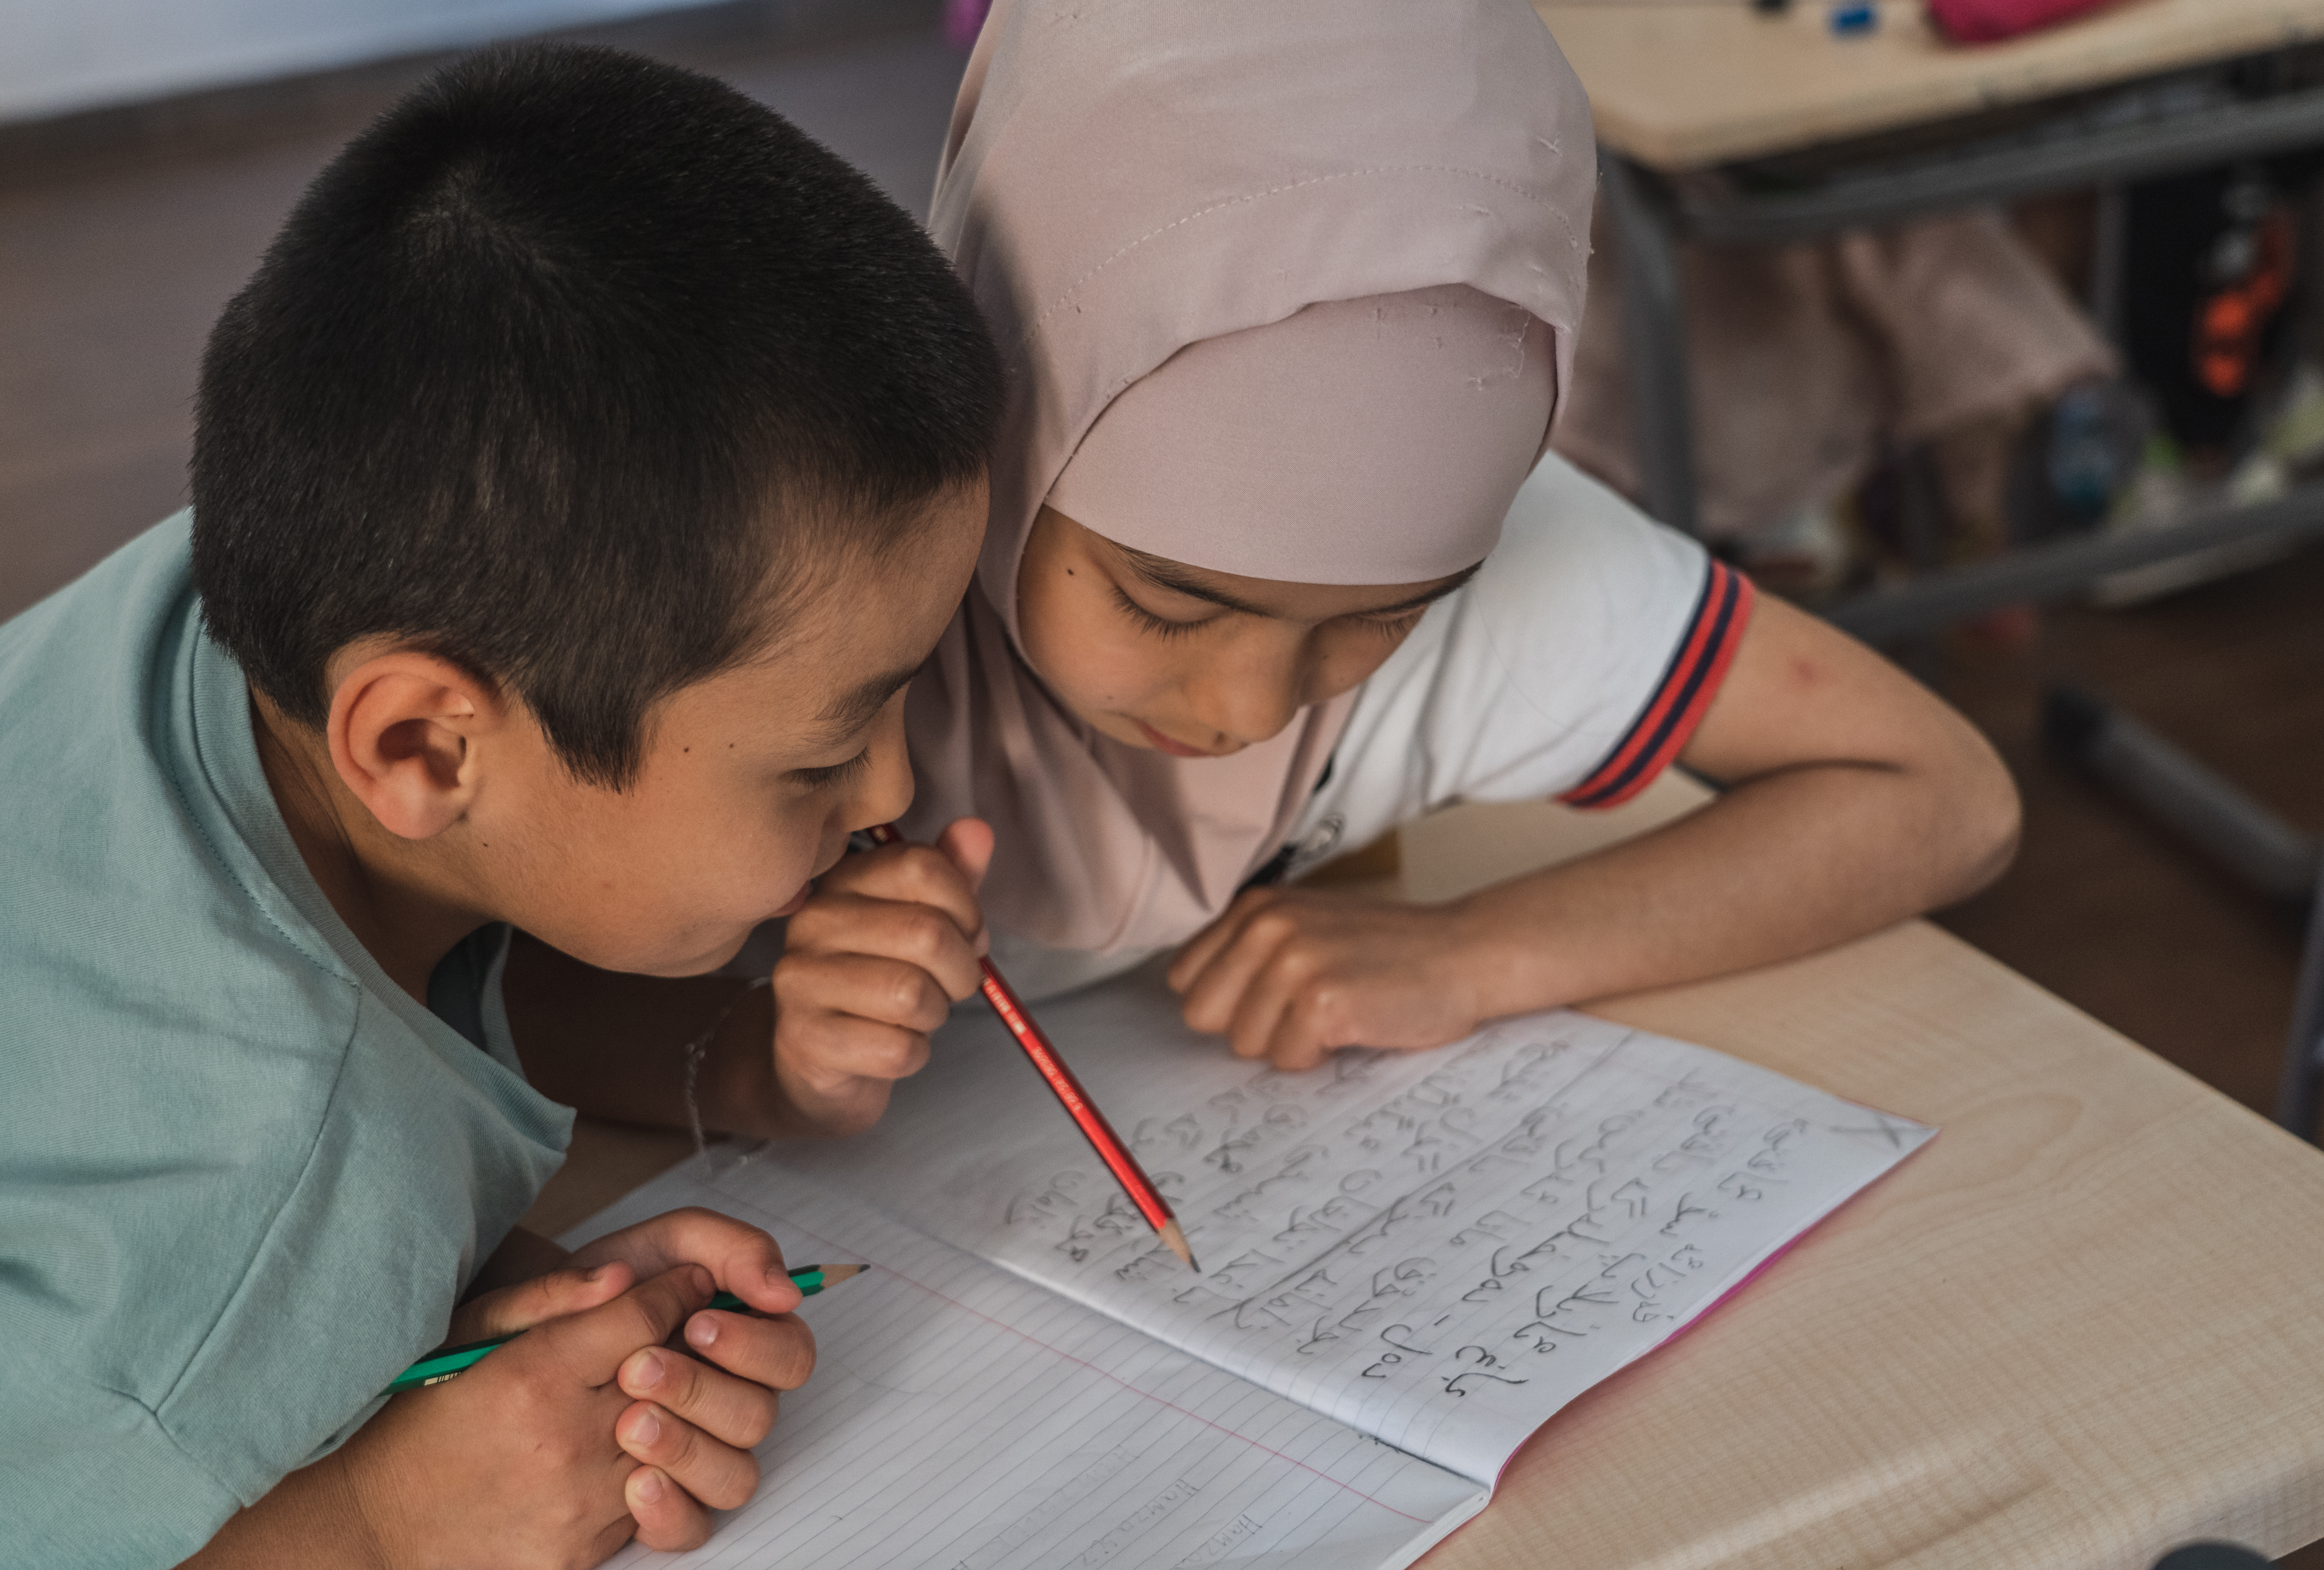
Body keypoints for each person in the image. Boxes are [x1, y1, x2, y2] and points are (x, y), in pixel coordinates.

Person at [513, 0, 2018, 1142]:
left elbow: (1946, 797)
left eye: (1382, 618)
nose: (1247, 707)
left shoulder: (1480, 555)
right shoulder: (772, 589)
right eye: (1171, 598)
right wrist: (760, 1061)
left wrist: (1482, 953)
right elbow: (478, 982)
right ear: (1014, 397)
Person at [0, 43, 1002, 1569]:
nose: (896, 786)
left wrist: (470, 1280)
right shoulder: (270, 1189)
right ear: (422, 749)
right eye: (817, 755)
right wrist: (388, 1516)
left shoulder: (258, 591)